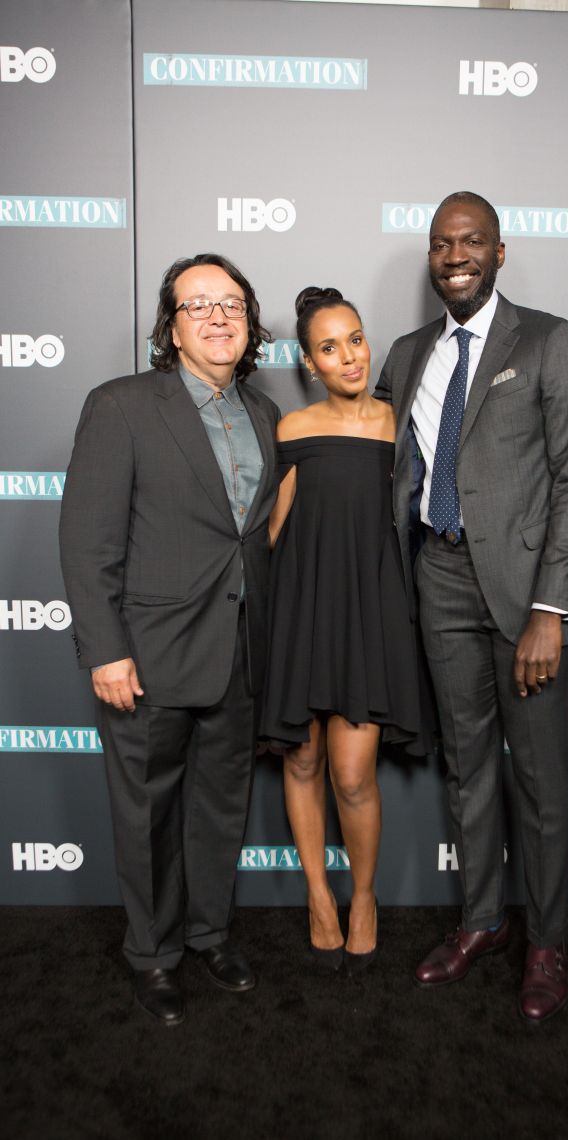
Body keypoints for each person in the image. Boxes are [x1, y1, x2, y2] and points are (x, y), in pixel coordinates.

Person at [375, 191, 568, 1021]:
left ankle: (546, 943)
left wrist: (552, 608)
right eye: (443, 243)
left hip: (527, 594)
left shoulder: (550, 341)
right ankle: (482, 922)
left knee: (540, 780)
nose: (456, 256)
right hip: (439, 579)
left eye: (472, 241)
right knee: (468, 768)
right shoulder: (406, 355)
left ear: (499, 253)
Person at [59, 253, 280, 1026]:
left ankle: (208, 933)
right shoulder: (121, 406)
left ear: (250, 324)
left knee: (220, 809)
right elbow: (87, 540)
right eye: (199, 305)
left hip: (240, 652)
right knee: (148, 813)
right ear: (172, 328)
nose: (219, 317)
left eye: (233, 305)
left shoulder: (265, 415)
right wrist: (105, 649)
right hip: (147, 656)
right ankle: (153, 954)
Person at [262, 287, 424, 975]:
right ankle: (317, 895)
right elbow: (274, 532)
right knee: (301, 761)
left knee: (353, 775)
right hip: (301, 611)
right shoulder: (292, 430)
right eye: (329, 348)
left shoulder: (400, 424)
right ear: (309, 363)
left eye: (355, 339)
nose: (349, 356)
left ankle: (363, 896)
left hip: (369, 614)